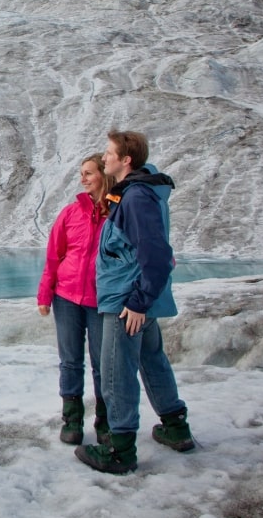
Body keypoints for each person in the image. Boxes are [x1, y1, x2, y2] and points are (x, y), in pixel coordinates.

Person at [75, 130, 195, 475]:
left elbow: (156, 255)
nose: (105, 157)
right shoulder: (132, 192)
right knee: (151, 359)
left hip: (126, 300)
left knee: (117, 372)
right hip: (134, 295)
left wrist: (139, 302)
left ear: (126, 160)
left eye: (109, 153)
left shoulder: (137, 197)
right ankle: (175, 427)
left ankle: (120, 450)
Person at [37, 154, 114, 445]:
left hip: (101, 299)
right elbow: (54, 255)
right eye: (81, 173)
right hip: (66, 297)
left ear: (104, 175)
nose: (82, 179)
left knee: (101, 363)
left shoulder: (119, 213)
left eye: (88, 173)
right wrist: (45, 294)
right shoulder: (71, 212)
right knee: (70, 361)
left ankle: (105, 422)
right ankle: (72, 419)